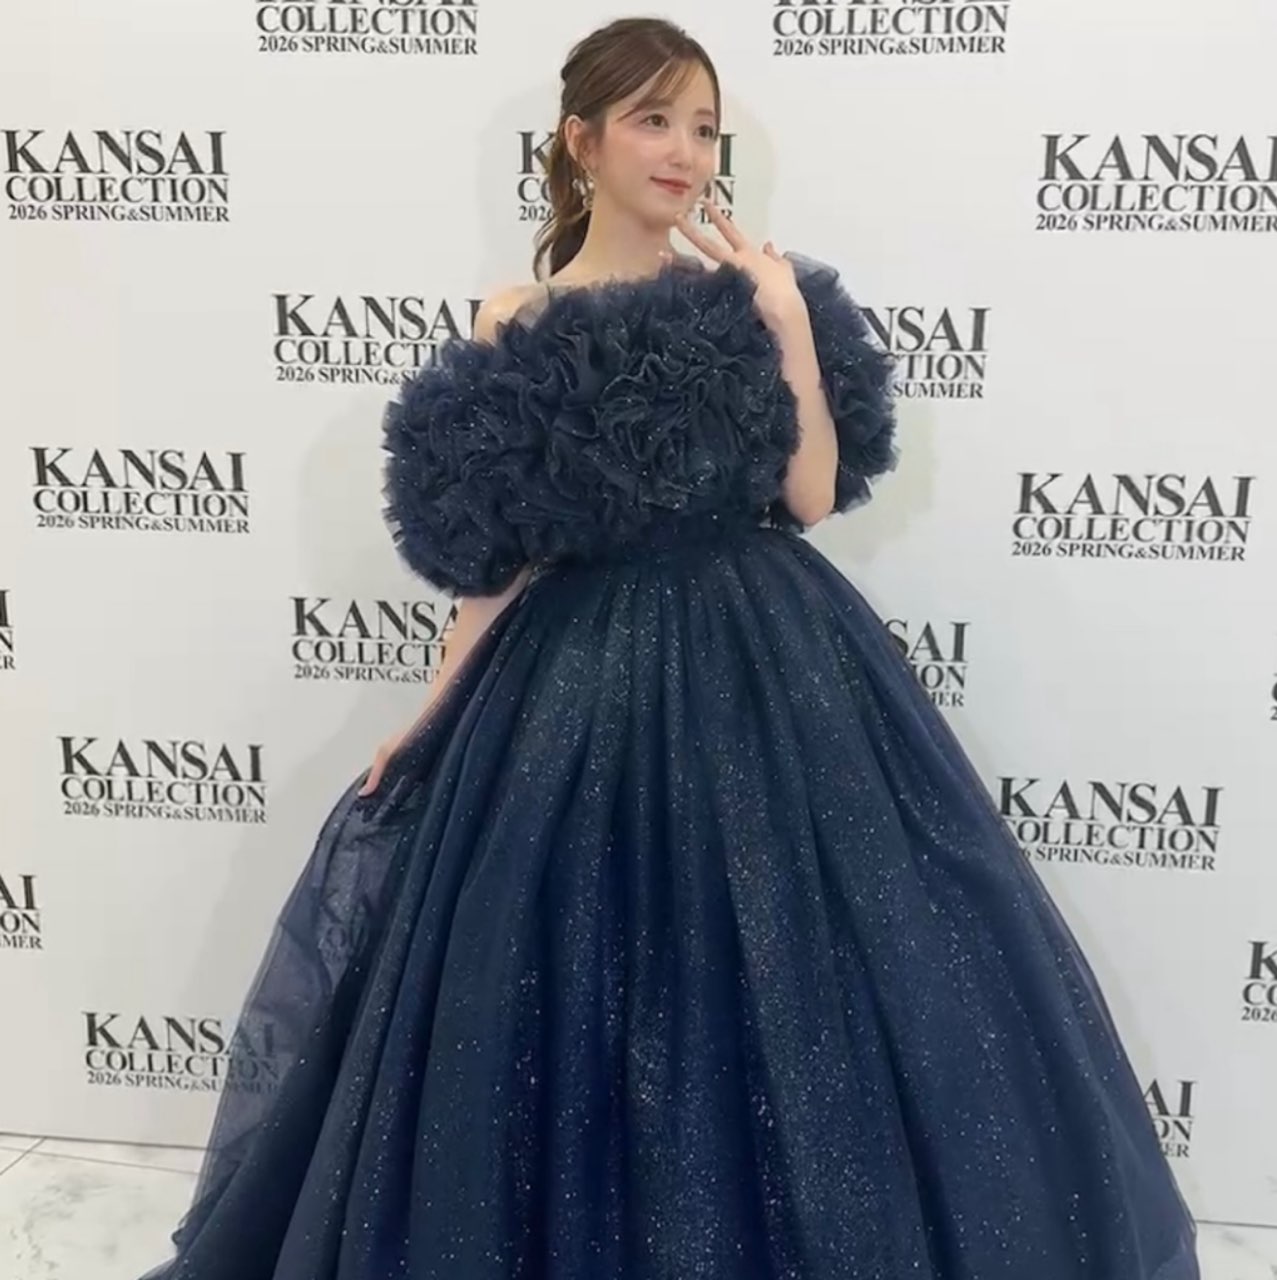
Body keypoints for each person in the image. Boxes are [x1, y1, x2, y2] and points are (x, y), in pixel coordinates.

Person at [139, 16, 1201, 1280]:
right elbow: (490, 559)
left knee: (807, 977)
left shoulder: (758, 298)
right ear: (579, 141)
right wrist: (425, 718)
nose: (683, 151)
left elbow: (811, 495)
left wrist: (786, 321)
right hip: (575, 688)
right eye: (652, 119)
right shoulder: (515, 318)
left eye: (703, 127)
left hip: (771, 670)